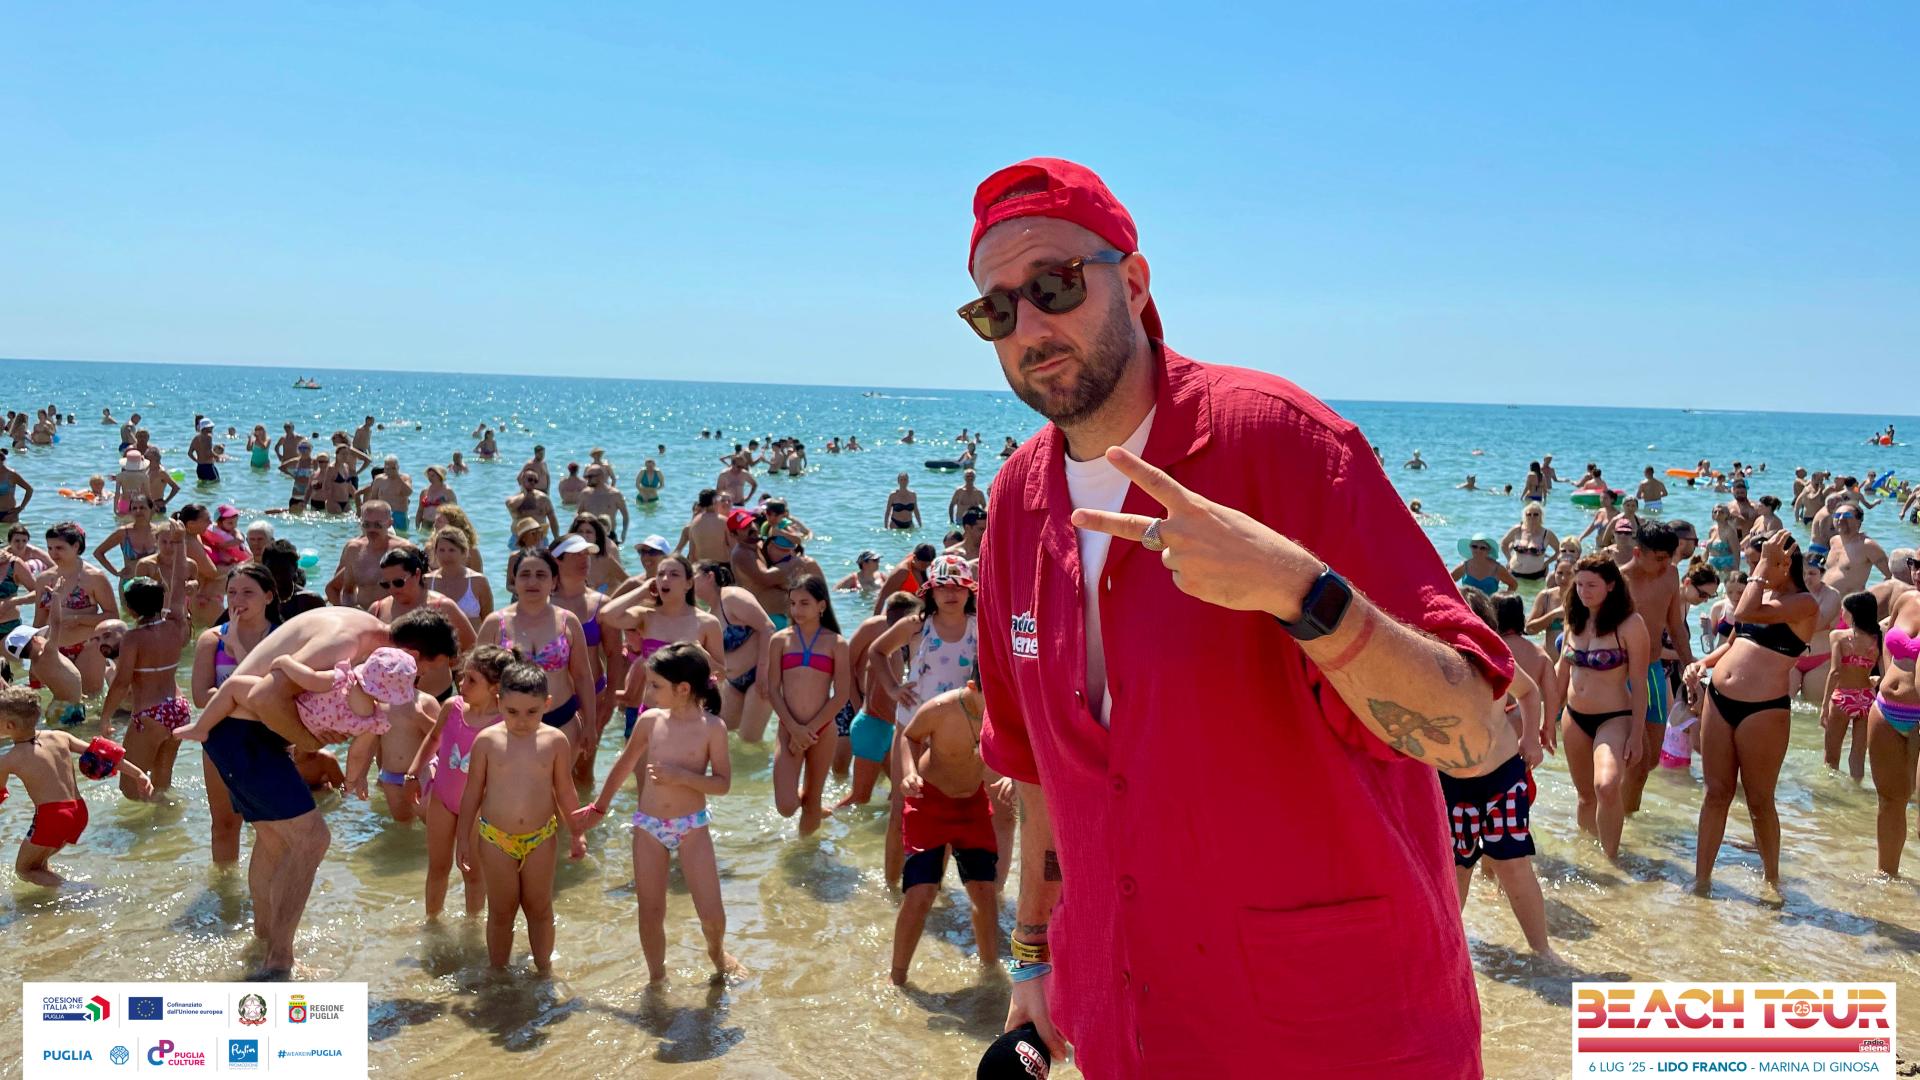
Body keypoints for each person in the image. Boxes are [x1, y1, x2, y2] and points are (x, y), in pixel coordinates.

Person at [963, 159, 1515, 1074]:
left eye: (1054, 285)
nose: (1028, 327)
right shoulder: (1018, 504)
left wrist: (1303, 593)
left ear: (1134, 284)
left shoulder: (1284, 442)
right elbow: (1040, 774)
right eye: (995, 309)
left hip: (1338, 1035)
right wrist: (1032, 958)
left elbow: (1476, 736)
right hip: (1128, 1025)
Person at [197, 606, 457, 976]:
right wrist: (309, 741)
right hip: (243, 735)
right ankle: (279, 959)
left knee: (274, 843)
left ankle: (264, 942)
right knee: (312, 840)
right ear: (413, 655)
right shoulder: (344, 642)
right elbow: (264, 696)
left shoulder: (361, 627)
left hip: (241, 735)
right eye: (426, 671)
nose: (420, 679)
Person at [575, 643, 741, 982]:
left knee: (711, 913)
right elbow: (624, 765)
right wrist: (599, 807)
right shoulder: (650, 721)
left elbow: (722, 784)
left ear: (683, 689)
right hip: (649, 826)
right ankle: (657, 977)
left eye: (655, 686)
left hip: (692, 826)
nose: (647, 693)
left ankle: (717, 953)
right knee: (650, 911)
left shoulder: (712, 728)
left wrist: (682, 777)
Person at [1683, 531, 1817, 899]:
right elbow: (1733, 642)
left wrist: (1759, 571)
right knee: (1715, 793)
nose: (1755, 569)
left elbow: (1743, 613)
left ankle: (1772, 883)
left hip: (1763, 710)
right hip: (1719, 700)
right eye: (1755, 562)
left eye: (1762, 562)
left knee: (1759, 801)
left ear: (1784, 564)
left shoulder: (1804, 603)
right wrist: (1702, 664)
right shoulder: (1762, 596)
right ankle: (1701, 882)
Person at [455, 659, 587, 972]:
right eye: (512, 712)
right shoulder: (487, 741)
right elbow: (472, 793)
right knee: (501, 911)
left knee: (539, 908)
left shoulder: (555, 741)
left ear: (547, 704)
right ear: (499, 701)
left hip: (541, 837)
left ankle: (544, 972)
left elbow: (565, 791)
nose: (522, 721)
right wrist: (463, 839)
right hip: (495, 838)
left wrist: (577, 831)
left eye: (532, 712)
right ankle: (498, 976)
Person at [1450, 588, 1555, 958]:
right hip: (1451, 784)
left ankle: (1543, 951)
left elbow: (1529, 692)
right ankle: (1453, 948)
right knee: (1457, 867)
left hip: (1502, 778)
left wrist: (1531, 739)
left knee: (1513, 866)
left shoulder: (1494, 657)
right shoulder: (1431, 660)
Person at [890, 676, 1005, 985]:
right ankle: (897, 977)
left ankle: (991, 977)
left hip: (973, 806)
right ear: (972, 687)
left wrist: (1011, 777)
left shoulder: (1004, 711)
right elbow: (910, 736)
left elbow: (1022, 745)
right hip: (929, 804)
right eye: (991, 693)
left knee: (985, 892)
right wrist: (909, 773)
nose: (998, 701)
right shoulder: (941, 708)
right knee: (921, 894)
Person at [0, 685, 150, 886]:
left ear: (9, 725)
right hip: (78, 811)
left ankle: (78, 892)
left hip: (52, 817)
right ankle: (57, 900)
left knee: (25, 869)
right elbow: (104, 754)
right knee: (38, 864)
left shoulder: (8, 759)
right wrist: (139, 774)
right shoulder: (59, 736)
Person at [1553, 555, 1650, 862]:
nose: (1584, 591)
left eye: (1592, 585)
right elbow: (1561, 672)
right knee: (1585, 797)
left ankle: (1611, 860)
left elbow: (1640, 683)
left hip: (1614, 717)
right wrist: (1546, 720)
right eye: (1579, 584)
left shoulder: (1630, 624)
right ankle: (1588, 861)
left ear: (1610, 585)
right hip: (1574, 716)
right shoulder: (1574, 618)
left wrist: (1637, 735)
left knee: (1606, 787)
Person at [403, 644, 511, 918]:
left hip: (479, 810)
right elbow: (433, 738)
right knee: (437, 867)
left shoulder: (503, 724)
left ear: (495, 687)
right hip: (442, 799)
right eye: (463, 676)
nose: (462, 684)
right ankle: (432, 921)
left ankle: (472, 927)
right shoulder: (452, 707)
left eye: (472, 680)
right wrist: (414, 773)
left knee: (472, 873)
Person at [97, 536, 193, 798]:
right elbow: (178, 585)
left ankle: (147, 824)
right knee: (162, 782)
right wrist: (180, 543)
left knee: (130, 788)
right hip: (179, 708)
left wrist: (105, 717)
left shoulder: (133, 638)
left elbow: (121, 682)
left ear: (129, 609)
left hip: (151, 713)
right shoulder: (175, 624)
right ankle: (164, 820)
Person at [477, 549, 597, 751]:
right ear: (514, 580)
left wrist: (590, 724)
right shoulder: (495, 624)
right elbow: (479, 679)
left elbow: (583, 676)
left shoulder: (568, 621)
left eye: (541, 575)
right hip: (507, 724)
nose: (532, 581)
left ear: (554, 581)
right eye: (525, 575)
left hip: (562, 719)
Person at [764, 576, 851, 836]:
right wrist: (795, 729)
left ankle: (806, 854)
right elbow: (772, 690)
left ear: (821, 605)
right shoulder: (780, 640)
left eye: (804, 603)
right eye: (793, 603)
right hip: (789, 729)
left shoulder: (837, 643)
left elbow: (841, 695)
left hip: (822, 731)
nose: (797, 610)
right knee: (786, 806)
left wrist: (809, 731)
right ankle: (811, 804)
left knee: (812, 802)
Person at [1619, 522, 1692, 816]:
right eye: (1659, 558)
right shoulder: (1618, 581)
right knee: (1636, 760)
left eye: (1669, 558)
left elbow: (1675, 626)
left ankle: (1624, 815)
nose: (1665, 565)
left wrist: (1690, 667)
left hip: (1653, 671)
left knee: (1649, 762)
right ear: (1638, 552)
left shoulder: (1671, 575)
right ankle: (1622, 820)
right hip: (1621, 674)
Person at [1866, 589, 1920, 877]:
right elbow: (1887, 635)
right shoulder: (1906, 599)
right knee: (1889, 801)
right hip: (1887, 711)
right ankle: (1887, 878)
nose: (1918, 572)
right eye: (1915, 567)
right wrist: (1887, 674)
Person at [693, 561, 775, 743]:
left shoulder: (732, 597)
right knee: (725, 736)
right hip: (734, 682)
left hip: (760, 676)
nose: (688, 583)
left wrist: (763, 672)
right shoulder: (709, 615)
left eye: (692, 577)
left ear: (709, 576)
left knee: (749, 742)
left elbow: (768, 628)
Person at [1820, 590, 1881, 782]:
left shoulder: (1838, 636)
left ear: (1853, 613)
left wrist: (1824, 705)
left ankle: (1829, 793)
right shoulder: (1878, 638)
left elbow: (1835, 672)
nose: (1841, 613)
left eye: (1843, 609)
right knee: (1858, 756)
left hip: (1843, 698)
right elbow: (1883, 671)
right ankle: (1856, 790)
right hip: (1867, 699)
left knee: (1831, 757)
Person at [325, 501, 415, 609]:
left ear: (390, 523)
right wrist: (349, 610)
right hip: (362, 615)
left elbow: (424, 589)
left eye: (377, 525)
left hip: (392, 615)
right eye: (366, 525)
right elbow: (346, 591)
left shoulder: (405, 549)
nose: (371, 529)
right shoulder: (353, 549)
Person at [424, 527, 493, 626]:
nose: (446, 556)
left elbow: (489, 621)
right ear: (435, 552)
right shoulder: (427, 581)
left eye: (451, 550)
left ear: (464, 552)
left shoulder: (478, 581)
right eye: (442, 550)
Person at [1500, 504, 1558, 581]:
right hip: (1514, 574)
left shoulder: (1547, 534)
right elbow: (1504, 544)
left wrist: (1546, 563)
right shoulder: (1517, 530)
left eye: (1535, 514)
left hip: (1537, 576)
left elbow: (1559, 551)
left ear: (1541, 516)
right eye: (1529, 514)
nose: (1532, 517)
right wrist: (1509, 559)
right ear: (1525, 516)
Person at [873, 544, 935, 616]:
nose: (925, 567)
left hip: (918, 612)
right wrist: (875, 618)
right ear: (914, 558)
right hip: (902, 615)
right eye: (923, 564)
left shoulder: (919, 560)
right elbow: (883, 595)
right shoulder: (902, 572)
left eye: (928, 564)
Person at [675, 489, 730, 564]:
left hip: (702, 565)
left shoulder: (693, 524)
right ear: (714, 501)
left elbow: (691, 554)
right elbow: (733, 548)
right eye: (719, 499)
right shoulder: (724, 521)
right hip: (722, 564)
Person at [577, 466, 629, 542]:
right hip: (590, 536)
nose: (587, 480)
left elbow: (625, 516)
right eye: (586, 477)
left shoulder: (615, 494)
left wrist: (623, 533)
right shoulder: (585, 494)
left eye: (590, 477)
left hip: (609, 536)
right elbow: (578, 515)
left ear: (600, 477)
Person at [1451, 534, 1517, 594]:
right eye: (1474, 546)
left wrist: (1503, 598)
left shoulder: (1497, 568)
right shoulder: (1464, 566)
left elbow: (1513, 585)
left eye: (1482, 548)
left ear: (1488, 550)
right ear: (1470, 548)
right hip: (1467, 603)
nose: (1478, 550)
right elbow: (1448, 582)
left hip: (1490, 603)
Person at [416, 464, 457, 532]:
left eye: (433, 476)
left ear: (440, 476)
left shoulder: (448, 491)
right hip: (425, 524)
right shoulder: (425, 491)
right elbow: (420, 511)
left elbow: (455, 512)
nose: (430, 478)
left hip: (441, 524)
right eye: (429, 475)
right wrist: (417, 526)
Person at [0, 448, 32, 524]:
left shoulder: (11, 474)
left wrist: (21, 507)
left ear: (1, 460)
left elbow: (29, 489)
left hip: (8, 514)